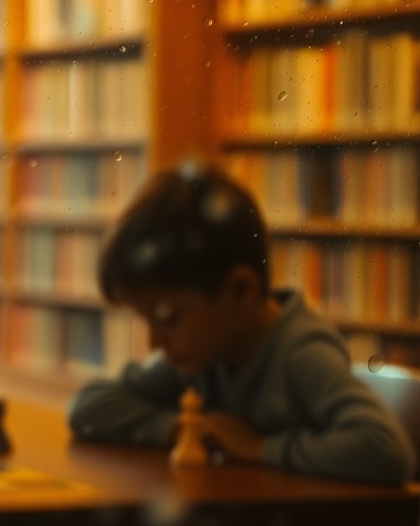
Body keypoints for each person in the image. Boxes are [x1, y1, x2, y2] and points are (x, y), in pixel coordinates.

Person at [67, 162, 414, 485]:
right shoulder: (202, 354)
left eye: (168, 318)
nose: (155, 343)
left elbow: (386, 449)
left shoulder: (301, 352)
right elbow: (88, 406)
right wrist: (181, 428)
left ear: (240, 290)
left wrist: (261, 447)